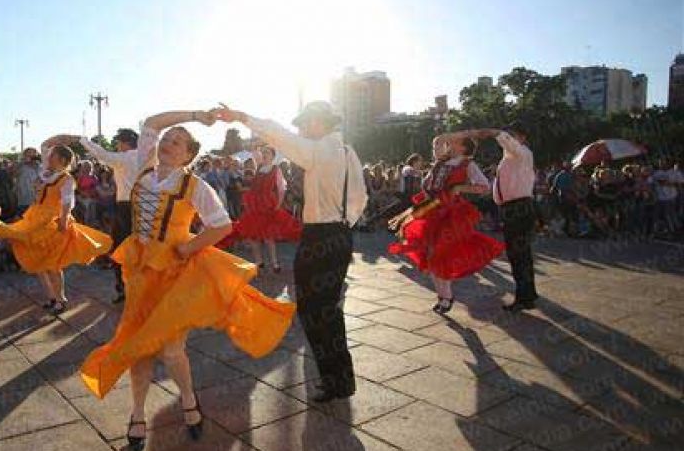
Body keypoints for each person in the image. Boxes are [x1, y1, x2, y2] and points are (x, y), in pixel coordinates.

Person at [78, 109, 295, 448]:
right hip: (139, 274)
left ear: (189, 155)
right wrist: (196, 115)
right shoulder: (142, 168)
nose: (168, 142)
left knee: (171, 348)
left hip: (175, 276)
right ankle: (137, 414)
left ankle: (189, 400)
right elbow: (151, 122)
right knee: (139, 347)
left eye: (178, 142)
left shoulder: (196, 186)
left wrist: (189, 247)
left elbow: (222, 225)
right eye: (167, 139)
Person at [215, 101, 366, 402]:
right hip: (338, 232)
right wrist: (341, 224)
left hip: (321, 235)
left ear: (317, 123)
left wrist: (243, 116)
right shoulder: (348, 151)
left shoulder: (319, 150)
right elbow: (360, 198)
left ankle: (336, 380)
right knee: (326, 309)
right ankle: (339, 379)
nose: (301, 130)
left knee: (314, 310)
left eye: (304, 125)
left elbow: (278, 134)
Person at [0, 143, 112, 314]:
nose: (49, 158)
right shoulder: (47, 174)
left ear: (62, 160)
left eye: (53, 156)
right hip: (36, 217)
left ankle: (61, 299)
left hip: (52, 222)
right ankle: (52, 297)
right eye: (49, 156)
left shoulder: (66, 179)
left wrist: (64, 221)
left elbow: (67, 202)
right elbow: (44, 152)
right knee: (40, 263)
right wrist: (61, 140)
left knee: (52, 264)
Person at [388, 134, 503, 312]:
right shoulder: (441, 162)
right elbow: (428, 184)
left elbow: (484, 186)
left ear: (464, 148)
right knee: (430, 254)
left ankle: (446, 296)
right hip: (432, 210)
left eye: (456, 141)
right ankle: (443, 296)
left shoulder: (467, 164)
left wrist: (459, 188)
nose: (450, 142)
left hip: (450, 214)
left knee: (440, 253)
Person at [459, 124, 538, 311]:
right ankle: (527, 295)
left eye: (512, 135)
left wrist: (495, 133)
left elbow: (511, 144)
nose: (508, 139)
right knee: (519, 255)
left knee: (519, 255)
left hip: (519, 207)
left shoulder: (523, 153)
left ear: (522, 137)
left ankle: (524, 296)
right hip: (511, 208)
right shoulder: (510, 158)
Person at [74, 128, 149, 304]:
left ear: (124, 143)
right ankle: (139, 288)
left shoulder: (125, 158)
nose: (117, 146)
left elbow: (102, 155)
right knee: (142, 249)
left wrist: (83, 140)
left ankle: (124, 288)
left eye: (118, 143)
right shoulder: (145, 157)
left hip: (126, 206)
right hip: (144, 205)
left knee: (120, 249)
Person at [227, 144, 302, 272]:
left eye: (267, 152)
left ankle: (274, 264)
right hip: (255, 205)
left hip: (267, 205)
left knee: (269, 236)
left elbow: (281, 188)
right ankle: (259, 262)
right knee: (253, 235)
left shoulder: (275, 169)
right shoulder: (260, 167)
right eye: (264, 152)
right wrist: (248, 202)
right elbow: (254, 186)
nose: (264, 154)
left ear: (273, 155)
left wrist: (278, 205)